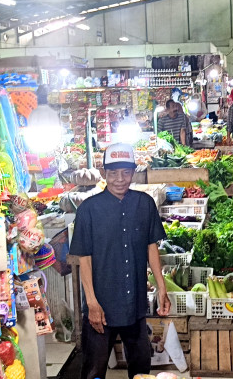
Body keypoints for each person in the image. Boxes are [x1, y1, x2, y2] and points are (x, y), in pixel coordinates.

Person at [70, 144, 171, 379]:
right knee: (94, 370)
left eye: (126, 172)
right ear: (104, 173)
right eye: (113, 173)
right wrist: (92, 303)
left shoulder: (144, 204)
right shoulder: (88, 210)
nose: (119, 179)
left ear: (133, 172)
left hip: (134, 304)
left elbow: (151, 247)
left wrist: (161, 286)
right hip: (101, 307)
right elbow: (84, 259)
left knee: (140, 369)